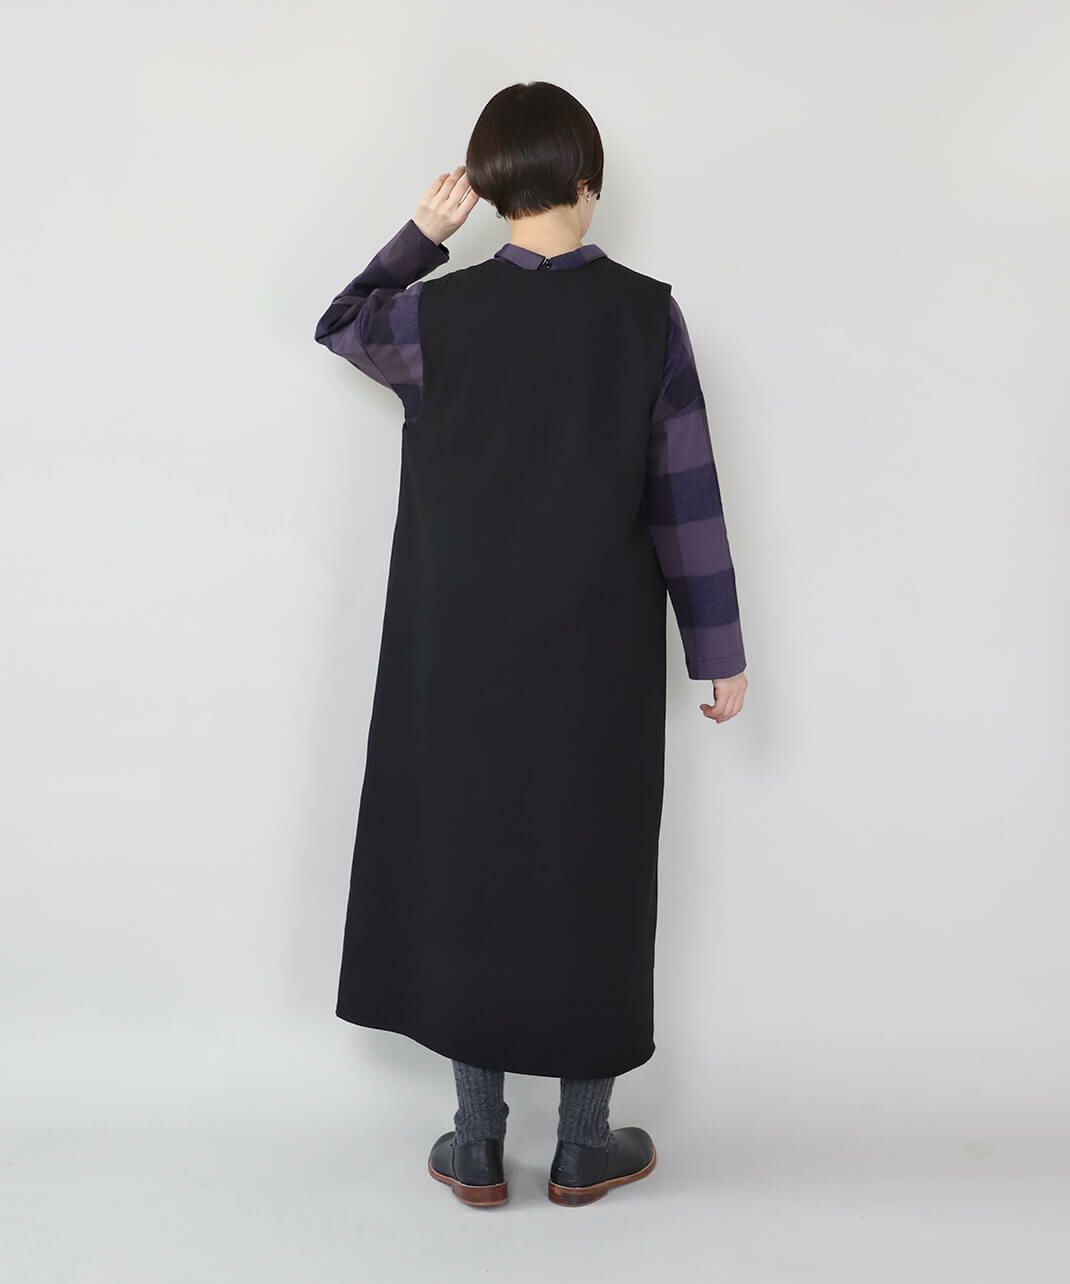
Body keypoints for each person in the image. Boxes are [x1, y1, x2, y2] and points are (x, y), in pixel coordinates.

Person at [313, 81, 748, 1209]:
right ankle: (582, 1145)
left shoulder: (434, 317)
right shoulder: (646, 317)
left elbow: (342, 319)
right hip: (596, 654)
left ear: (492, 188)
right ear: (587, 183)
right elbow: (685, 496)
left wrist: (422, 235)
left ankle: (474, 1140)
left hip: (455, 652)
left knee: (471, 866)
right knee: (590, 868)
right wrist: (717, 649)